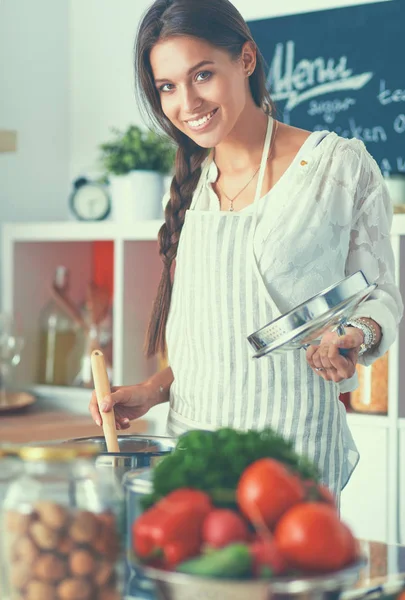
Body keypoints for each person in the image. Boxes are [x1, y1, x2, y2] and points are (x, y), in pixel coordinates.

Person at [89, 0, 403, 498]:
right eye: (167, 86)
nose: (186, 103)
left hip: (292, 452)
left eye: (203, 75)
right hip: (193, 448)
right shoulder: (192, 185)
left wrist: (353, 336)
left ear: (247, 60)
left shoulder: (337, 166)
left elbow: (378, 292)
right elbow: (220, 342)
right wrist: (155, 389)